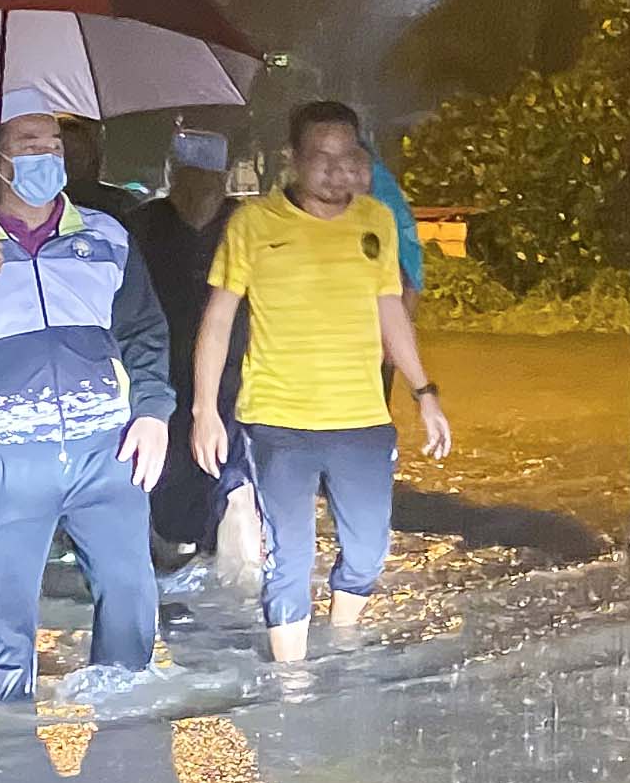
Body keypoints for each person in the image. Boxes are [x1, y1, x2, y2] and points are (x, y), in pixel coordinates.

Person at [0, 93, 174, 703]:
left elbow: (144, 333)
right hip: (4, 456)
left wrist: (154, 414)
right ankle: (3, 753)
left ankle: (124, 741)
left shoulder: (106, 236)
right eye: (27, 145)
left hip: (107, 449)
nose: (45, 157)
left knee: (131, 595)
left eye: (53, 145)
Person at [191, 98, 454, 665]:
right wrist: (205, 411)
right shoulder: (254, 224)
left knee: (367, 552)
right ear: (293, 159)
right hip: (277, 421)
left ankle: (341, 650)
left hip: (361, 419)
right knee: (291, 554)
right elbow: (217, 319)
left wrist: (423, 393)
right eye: (321, 157)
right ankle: (292, 685)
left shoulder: (375, 221)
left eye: (347, 156)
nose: (336, 170)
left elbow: (391, 312)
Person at [132, 127, 243, 566]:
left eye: (208, 180)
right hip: (161, 370)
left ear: (224, 179)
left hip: (232, 374)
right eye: (188, 178)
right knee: (166, 473)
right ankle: (168, 550)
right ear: (173, 178)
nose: (199, 191)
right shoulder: (143, 225)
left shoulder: (243, 224)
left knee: (226, 471)